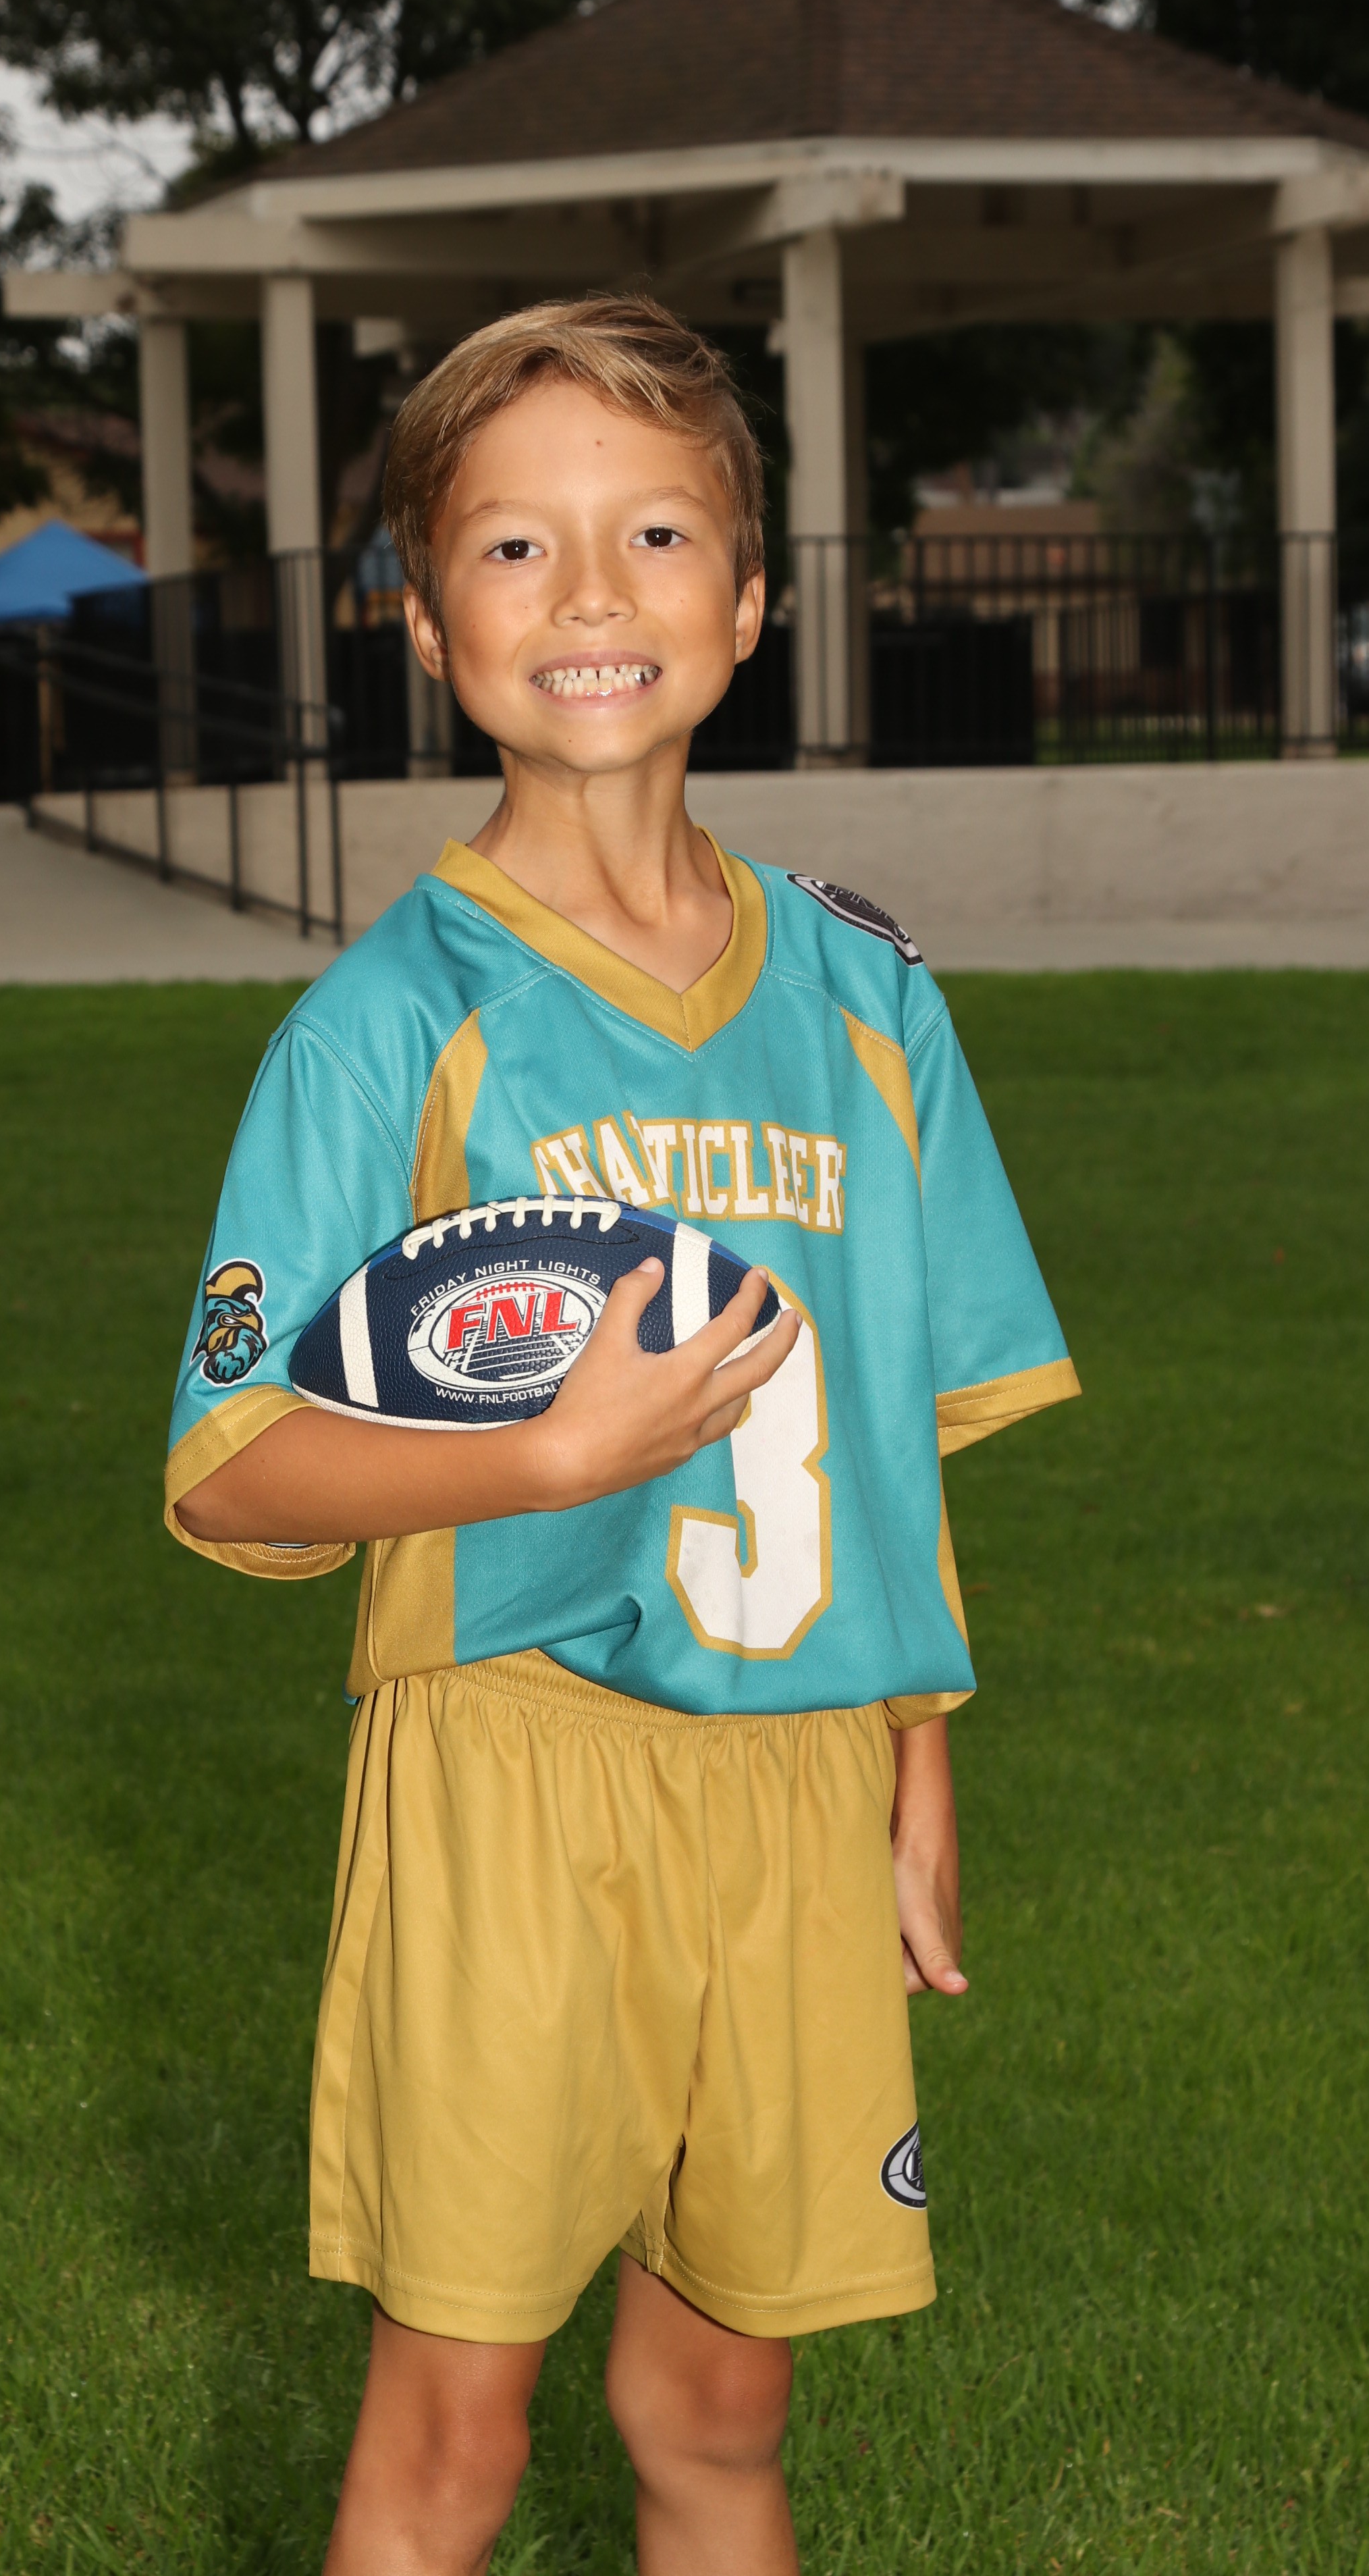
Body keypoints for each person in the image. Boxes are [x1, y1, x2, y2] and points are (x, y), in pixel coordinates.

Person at [166, 295, 1078, 2574]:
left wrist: (918, 1761)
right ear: (424, 621)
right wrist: (544, 1460)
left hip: (799, 1778)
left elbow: (889, 1433)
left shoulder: (869, 997)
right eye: (514, 547)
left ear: (751, 602)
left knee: (719, 2404)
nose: (589, 594)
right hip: (516, 1764)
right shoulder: (388, 1024)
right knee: (452, 2435)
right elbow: (233, 1465)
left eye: (656, 534)